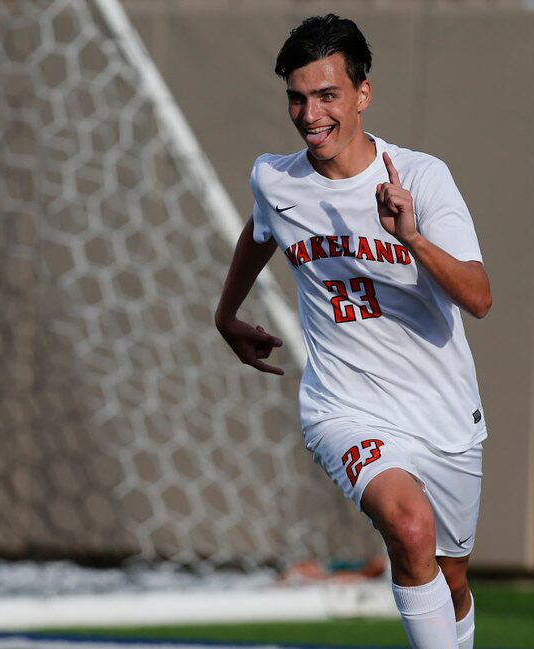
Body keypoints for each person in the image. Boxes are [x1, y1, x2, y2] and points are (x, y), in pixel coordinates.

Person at [215, 14, 491, 649]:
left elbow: (478, 299)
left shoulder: (421, 179)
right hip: (346, 407)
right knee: (411, 529)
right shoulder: (276, 178)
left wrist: (413, 237)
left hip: (444, 413)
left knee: (450, 582)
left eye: (327, 95)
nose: (311, 115)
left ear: (362, 94)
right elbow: (260, 231)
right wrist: (226, 314)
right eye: (298, 97)